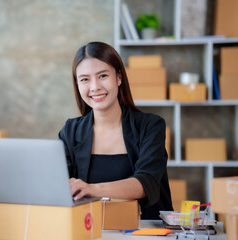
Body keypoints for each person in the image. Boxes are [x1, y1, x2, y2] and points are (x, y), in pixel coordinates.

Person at [58, 41, 173, 219]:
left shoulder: (150, 126)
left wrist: (92, 189)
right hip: (91, 230)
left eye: (103, 76)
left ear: (119, 78)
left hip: (145, 231)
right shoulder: (70, 131)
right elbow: (59, 184)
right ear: (78, 85)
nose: (95, 86)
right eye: (85, 79)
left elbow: (146, 183)